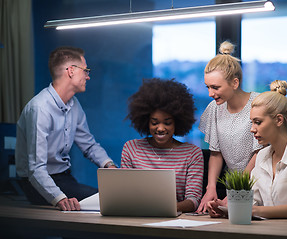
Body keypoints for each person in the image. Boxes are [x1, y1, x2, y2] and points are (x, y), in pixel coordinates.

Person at [15, 46, 116, 211]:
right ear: (71, 71)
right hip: (36, 183)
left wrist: (109, 166)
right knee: (104, 200)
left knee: (105, 198)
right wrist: (59, 198)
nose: (88, 76)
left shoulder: (74, 104)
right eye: (86, 70)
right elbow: (36, 170)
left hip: (64, 178)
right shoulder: (40, 109)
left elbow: (88, 145)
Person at [207, 80, 287, 219]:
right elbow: (254, 201)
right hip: (265, 231)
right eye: (252, 123)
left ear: (279, 120)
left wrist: (252, 211)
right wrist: (226, 208)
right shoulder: (262, 155)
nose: (252, 129)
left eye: (258, 122)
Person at [196, 41, 262, 212]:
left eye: (215, 87)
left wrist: (237, 189)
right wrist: (210, 188)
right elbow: (216, 153)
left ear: (235, 83)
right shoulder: (214, 109)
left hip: (259, 185)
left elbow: (261, 152)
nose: (210, 93)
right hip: (231, 188)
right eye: (208, 87)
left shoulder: (259, 103)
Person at [121, 78, 204, 213]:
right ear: (146, 122)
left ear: (177, 122)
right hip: (136, 217)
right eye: (154, 122)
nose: (160, 128)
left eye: (167, 123)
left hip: (174, 221)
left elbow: (193, 200)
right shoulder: (131, 149)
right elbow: (123, 193)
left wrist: (165, 209)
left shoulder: (192, 153)